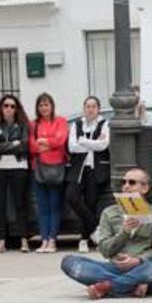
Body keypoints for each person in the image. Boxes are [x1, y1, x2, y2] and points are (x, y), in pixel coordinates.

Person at [61, 168, 152, 299]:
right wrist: (124, 233)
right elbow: (104, 250)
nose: (126, 186)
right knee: (69, 262)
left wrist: (138, 260)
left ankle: (107, 287)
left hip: (143, 266)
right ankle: (130, 287)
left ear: (145, 188)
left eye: (132, 182)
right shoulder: (109, 212)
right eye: (123, 182)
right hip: (115, 267)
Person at [0, 95, 31, 254]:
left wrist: (3, 146)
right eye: (6, 105)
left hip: (18, 166)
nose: (9, 109)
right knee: (0, 205)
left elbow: (24, 146)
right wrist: (13, 144)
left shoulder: (23, 125)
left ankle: (24, 241)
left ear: (16, 109)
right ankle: (1, 242)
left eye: (12, 106)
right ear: (1, 108)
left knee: (20, 204)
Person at [66, 95, 110, 254]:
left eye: (93, 106)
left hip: (96, 169)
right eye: (87, 106)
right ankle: (95, 231)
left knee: (91, 203)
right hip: (78, 169)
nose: (90, 109)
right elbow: (72, 147)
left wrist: (83, 141)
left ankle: (83, 239)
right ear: (84, 108)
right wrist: (92, 144)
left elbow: (103, 145)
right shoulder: (76, 124)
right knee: (72, 196)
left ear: (98, 109)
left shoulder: (104, 124)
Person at [29, 92, 69, 254]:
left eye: (46, 104)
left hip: (56, 167)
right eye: (41, 105)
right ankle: (44, 239)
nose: (44, 107)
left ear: (52, 106)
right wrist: (49, 143)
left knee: (54, 205)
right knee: (42, 206)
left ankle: (53, 240)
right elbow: (31, 146)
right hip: (38, 168)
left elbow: (61, 140)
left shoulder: (61, 121)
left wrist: (45, 142)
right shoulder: (33, 124)